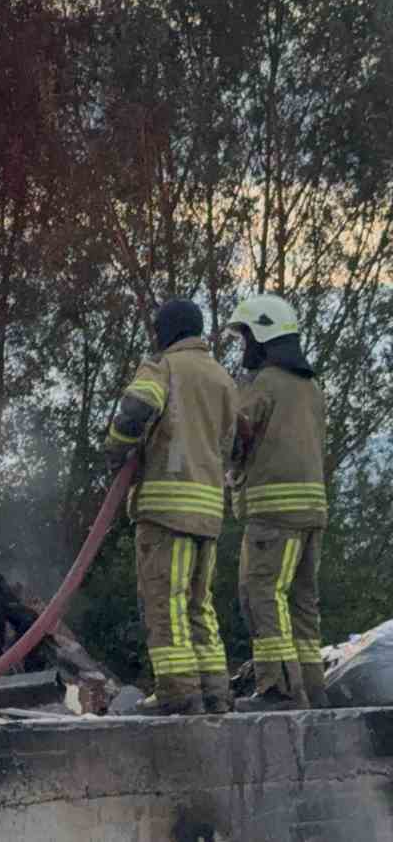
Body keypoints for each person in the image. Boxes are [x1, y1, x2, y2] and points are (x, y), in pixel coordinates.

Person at [102, 300, 238, 715]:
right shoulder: (223, 379)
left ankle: (178, 693)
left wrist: (117, 452)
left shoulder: (164, 367)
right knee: (200, 603)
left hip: (166, 511)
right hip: (208, 513)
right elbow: (230, 445)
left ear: (167, 331)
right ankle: (214, 692)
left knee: (166, 600)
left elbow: (133, 413)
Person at [224, 295, 330, 711]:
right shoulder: (312, 389)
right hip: (311, 514)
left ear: (264, 336)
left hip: (273, 516)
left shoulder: (264, 385)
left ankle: (277, 692)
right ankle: (312, 689)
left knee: (261, 593)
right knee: (303, 603)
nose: (243, 347)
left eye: (246, 337)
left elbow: (235, 437)